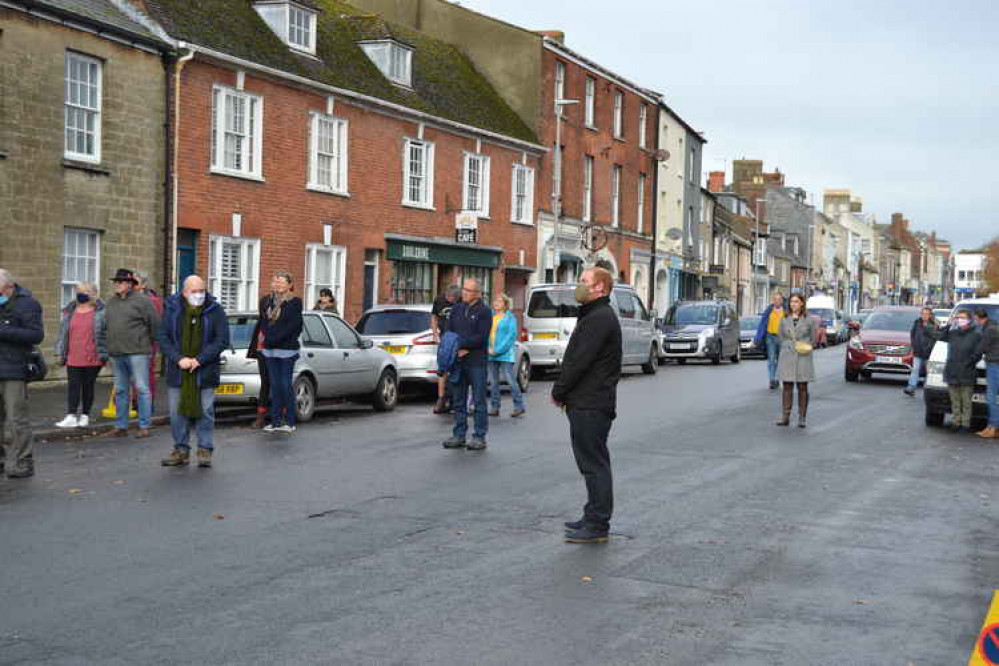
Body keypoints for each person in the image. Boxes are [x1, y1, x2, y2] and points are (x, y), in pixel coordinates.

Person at [551, 267, 622, 544]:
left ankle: (597, 524)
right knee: (590, 463)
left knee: (594, 464)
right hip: (588, 400)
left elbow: (580, 360)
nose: (578, 286)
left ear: (600, 288)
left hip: (591, 402)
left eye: (584, 282)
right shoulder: (595, 314)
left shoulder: (599, 318)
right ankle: (592, 514)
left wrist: (559, 390)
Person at [158, 276, 229, 468]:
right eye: (194, 291)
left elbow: (222, 339)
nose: (198, 295)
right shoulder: (172, 309)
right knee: (176, 413)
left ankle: (205, 449)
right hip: (178, 370)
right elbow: (163, 337)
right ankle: (181, 450)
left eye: (201, 291)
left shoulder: (215, 310)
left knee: (205, 411)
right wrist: (178, 358)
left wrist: (200, 359)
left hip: (205, 370)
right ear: (184, 292)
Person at [0, 269, 44, 479]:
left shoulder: (27, 304)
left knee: (17, 419)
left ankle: (24, 461)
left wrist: (4, 330)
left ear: (8, 287)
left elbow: (36, 335)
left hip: (14, 369)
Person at [105, 269, 159, 438]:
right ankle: (121, 426)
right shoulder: (111, 302)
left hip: (138, 352)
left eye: (120, 282)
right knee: (121, 390)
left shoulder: (143, 301)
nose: (117, 284)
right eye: (116, 282)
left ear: (129, 284)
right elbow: (106, 326)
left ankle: (144, 426)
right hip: (117, 352)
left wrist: (151, 348)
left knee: (142, 389)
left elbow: (155, 325)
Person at [441, 279, 491, 451]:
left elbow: (481, 337)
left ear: (477, 293)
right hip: (458, 361)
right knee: (458, 400)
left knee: (478, 400)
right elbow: (449, 331)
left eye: (469, 290)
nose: (464, 293)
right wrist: (455, 348)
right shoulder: (457, 309)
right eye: (464, 289)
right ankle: (459, 434)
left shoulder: (484, 311)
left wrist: (463, 346)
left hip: (476, 362)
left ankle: (479, 436)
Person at [54, 282, 107, 428]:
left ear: (93, 294)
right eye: (79, 291)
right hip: (73, 355)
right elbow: (63, 333)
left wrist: (106, 353)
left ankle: (85, 415)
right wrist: (60, 352)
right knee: (73, 386)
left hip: (92, 356)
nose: (80, 294)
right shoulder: (70, 311)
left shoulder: (101, 312)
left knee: (88, 386)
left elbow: (106, 334)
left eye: (84, 291)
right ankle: (71, 415)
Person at [258, 271, 303, 433]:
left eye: (282, 282)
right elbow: (263, 322)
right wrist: (267, 338)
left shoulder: (294, 302)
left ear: (290, 285)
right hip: (270, 348)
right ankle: (275, 421)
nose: (278, 285)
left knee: (285, 384)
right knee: (274, 385)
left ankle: (290, 421)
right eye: (275, 282)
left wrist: (275, 338)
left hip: (287, 348)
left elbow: (294, 326)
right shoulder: (267, 301)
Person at [934, 309, 982, 434]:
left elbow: (978, 353)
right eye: (958, 317)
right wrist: (949, 324)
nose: (960, 319)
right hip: (952, 370)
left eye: (962, 317)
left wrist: (968, 362)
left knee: (966, 401)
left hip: (967, 371)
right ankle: (956, 422)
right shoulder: (953, 332)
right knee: (955, 400)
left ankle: (965, 424)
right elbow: (939, 335)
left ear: (969, 319)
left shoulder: (976, 334)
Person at [775, 293, 817, 428]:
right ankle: (785, 416)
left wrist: (805, 347)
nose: (794, 304)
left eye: (797, 302)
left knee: (802, 387)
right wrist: (788, 347)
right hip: (787, 355)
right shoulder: (784, 319)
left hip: (803, 356)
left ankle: (802, 417)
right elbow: (780, 337)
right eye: (792, 302)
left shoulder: (809, 320)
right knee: (787, 387)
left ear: (802, 304)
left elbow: (813, 338)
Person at [487, 293, 525, 418]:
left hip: (505, 354)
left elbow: (511, 336)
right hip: (490, 353)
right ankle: (495, 407)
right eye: (495, 301)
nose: (496, 303)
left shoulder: (510, 318)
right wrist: (488, 349)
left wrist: (497, 350)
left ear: (505, 304)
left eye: (499, 301)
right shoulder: (490, 316)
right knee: (493, 382)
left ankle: (519, 406)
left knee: (510, 380)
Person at [135, 271, 164, 410]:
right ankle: (135, 402)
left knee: (146, 374)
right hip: (131, 344)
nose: (133, 285)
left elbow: (156, 323)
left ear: (143, 284)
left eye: (136, 282)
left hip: (147, 343)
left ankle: (146, 404)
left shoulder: (152, 300)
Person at [431, 285, 461, 414]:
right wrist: (434, 332)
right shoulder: (439, 300)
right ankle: (441, 399)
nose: (450, 300)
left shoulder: (462, 302)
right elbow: (434, 317)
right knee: (442, 369)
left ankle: (456, 400)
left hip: (458, 338)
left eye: (453, 299)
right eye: (448, 297)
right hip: (444, 339)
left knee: (456, 369)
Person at [975, 308, 998, 439]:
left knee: (991, 397)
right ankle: (993, 427)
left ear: (978, 317)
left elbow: (981, 348)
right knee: (992, 397)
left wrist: (969, 358)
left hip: (994, 365)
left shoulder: (989, 330)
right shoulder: (992, 326)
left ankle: (992, 427)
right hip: (994, 363)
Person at [754, 292, 785, 390]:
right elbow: (762, 324)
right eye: (775, 299)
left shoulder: (785, 312)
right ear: (773, 301)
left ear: (782, 301)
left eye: (779, 299)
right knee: (771, 359)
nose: (777, 301)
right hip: (770, 337)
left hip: (782, 338)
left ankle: (778, 378)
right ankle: (772, 380)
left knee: (781, 360)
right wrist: (758, 337)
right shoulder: (769, 311)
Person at [904, 307, 937, 397]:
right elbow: (912, 334)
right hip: (918, 351)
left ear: (930, 315)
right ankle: (911, 387)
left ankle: (927, 390)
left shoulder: (934, 325)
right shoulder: (917, 323)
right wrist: (914, 344)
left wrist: (930, 348)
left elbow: (936, 337)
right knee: (915, 369)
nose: (924, 316)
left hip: (929, 353)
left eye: (927, 314)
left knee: (928, 372)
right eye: (923, 314)